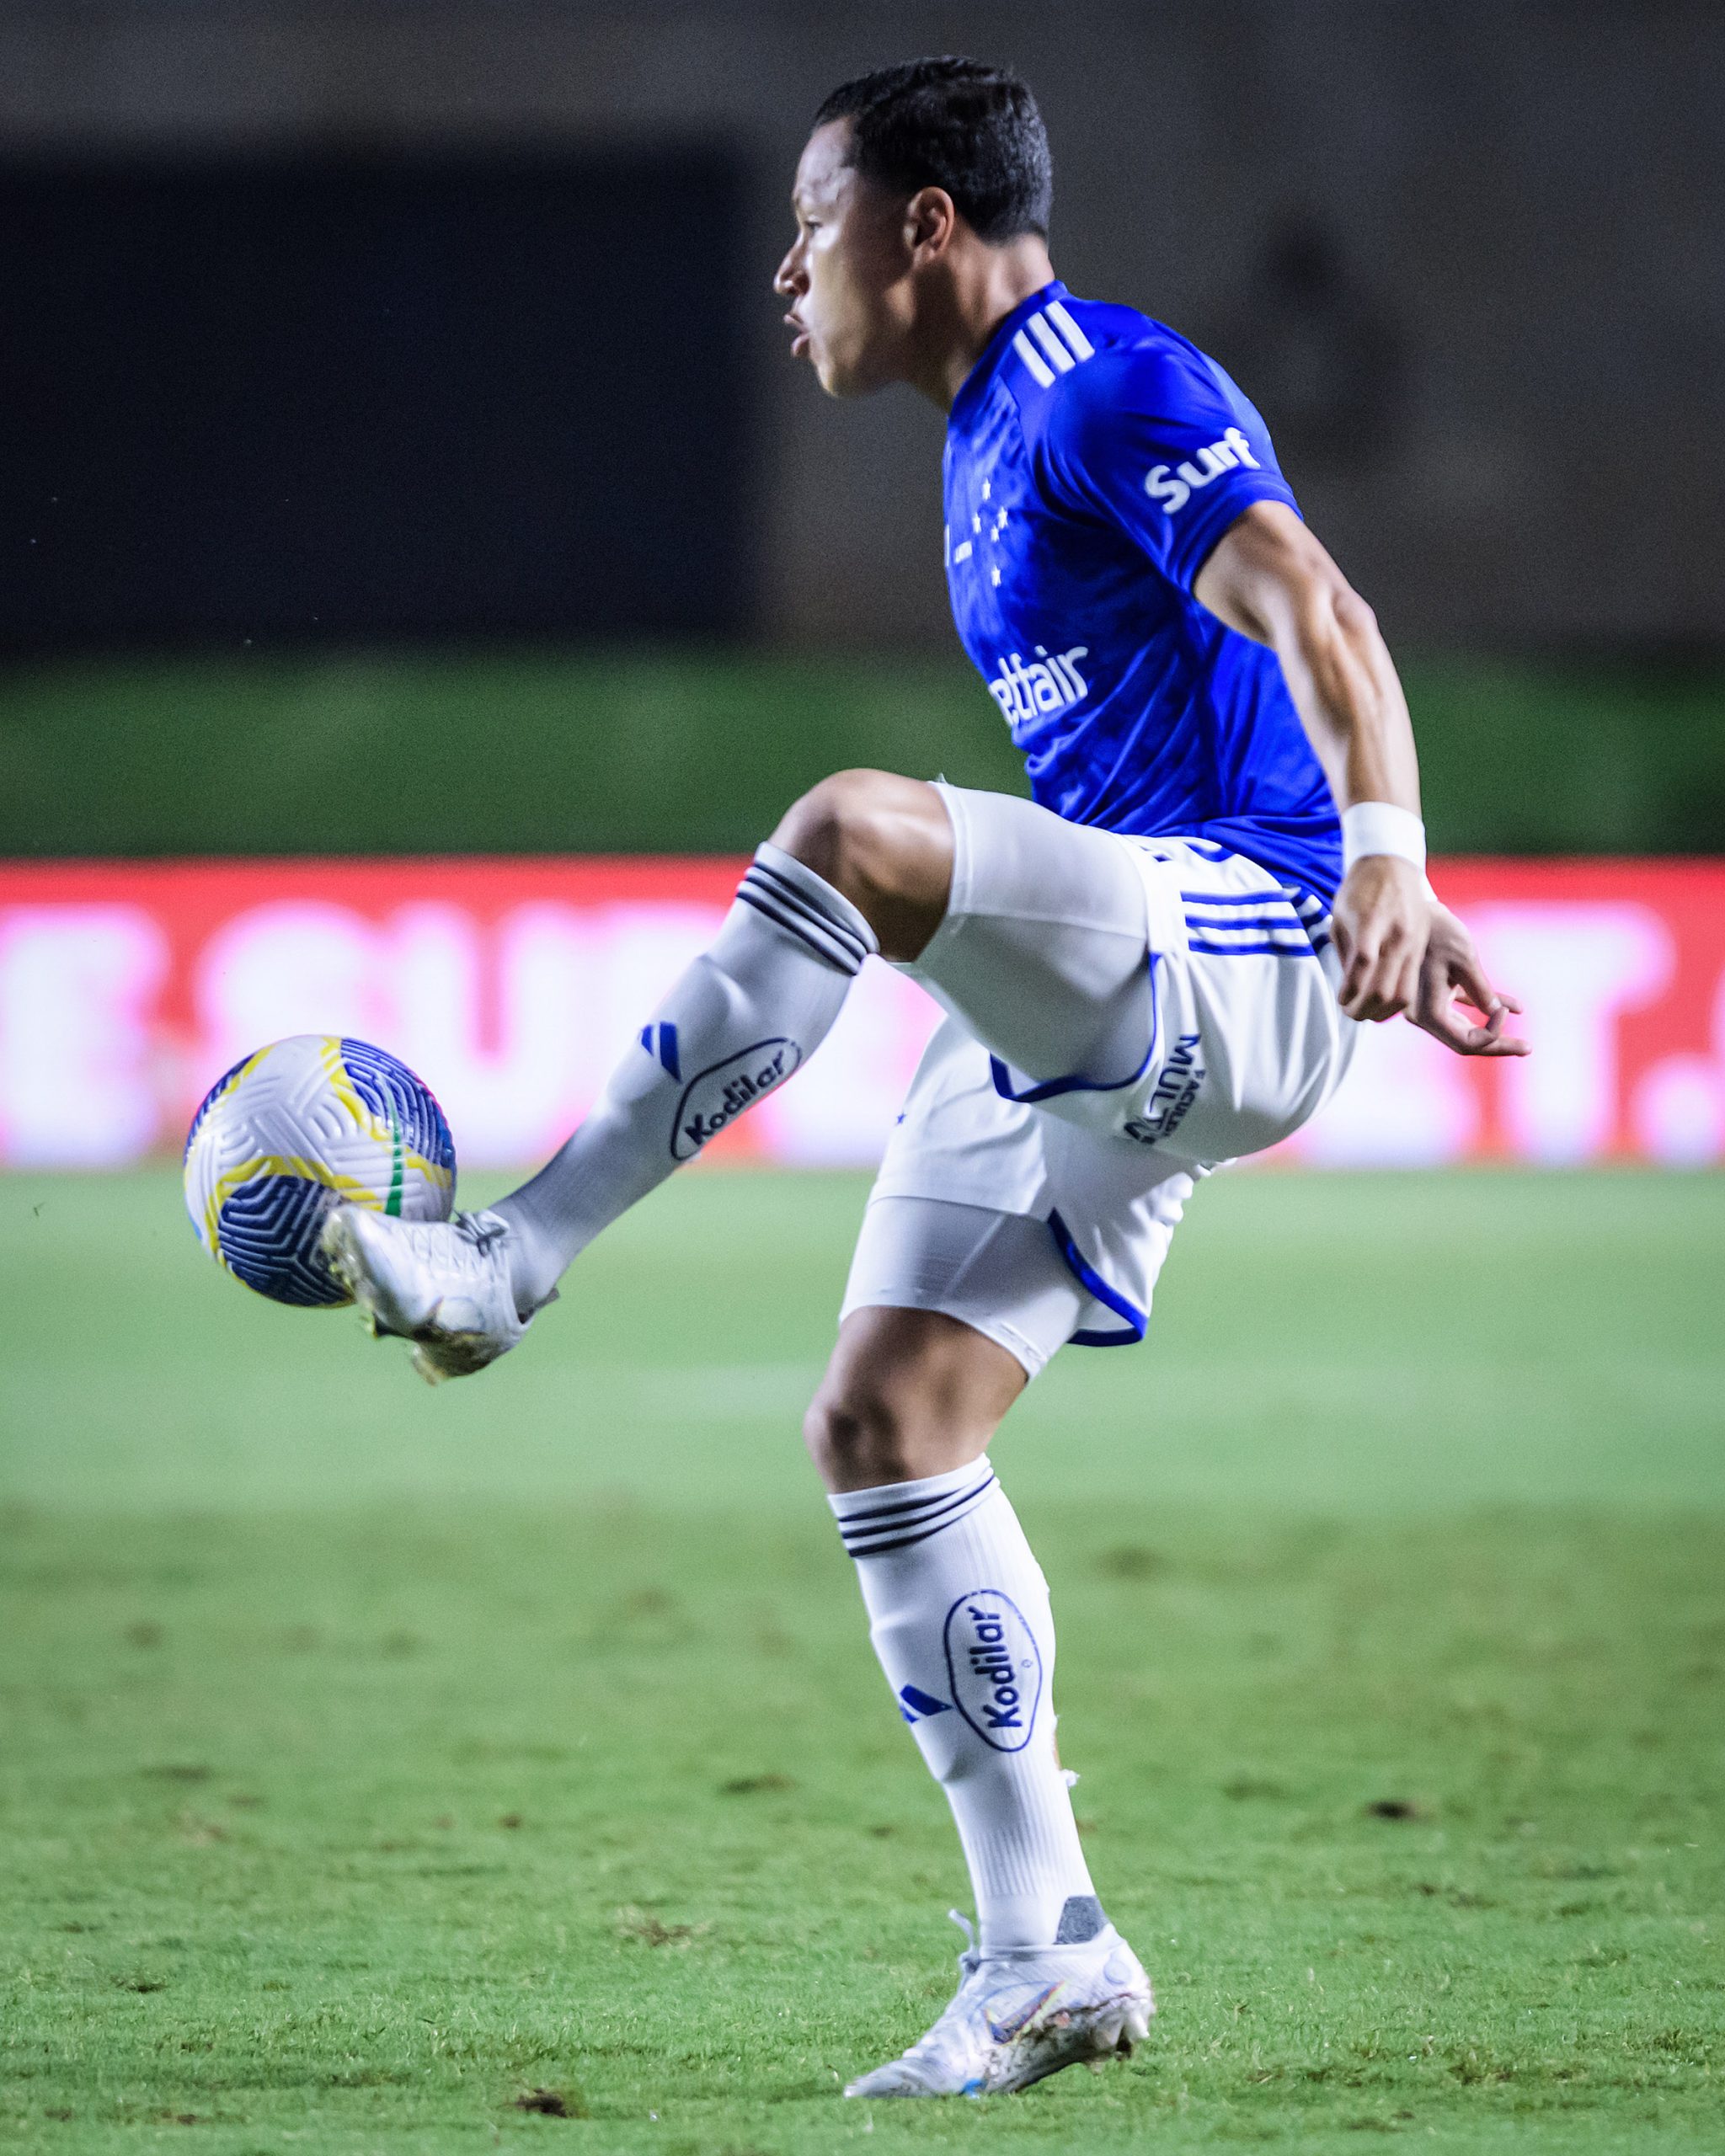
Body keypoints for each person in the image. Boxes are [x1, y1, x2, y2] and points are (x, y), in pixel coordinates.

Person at [320, 56, 1528, 2100]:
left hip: (1239, 933)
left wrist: (1391, 862)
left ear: (923, 225)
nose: (786, 274)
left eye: (813, 225)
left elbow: (1317, 602)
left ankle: (515, 1253)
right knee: (886, 1421)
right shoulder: (979, 439)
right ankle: (1045, 1948)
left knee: (856, 832)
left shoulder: (1100, 385)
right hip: (1125, 975)